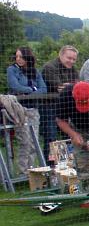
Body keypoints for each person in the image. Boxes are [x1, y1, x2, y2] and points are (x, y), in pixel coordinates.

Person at [5, 46, 47, 174]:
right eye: (16, 56)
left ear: (27, 57)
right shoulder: (12, 70)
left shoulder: (35, 71)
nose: (18, 59)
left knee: (34, 142)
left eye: (21, 56)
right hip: (19, 109)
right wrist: (33, 90)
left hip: (33, 109)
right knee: (25, 141)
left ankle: (33, 171)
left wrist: (29, 91)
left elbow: (44, 89)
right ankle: (23, 171)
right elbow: (15, 86)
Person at [41, 45, 79, 160]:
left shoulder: (72, 69)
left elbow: (78, 85)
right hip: (49, 107)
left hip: (66, 108)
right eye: (69, 58)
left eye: (74, 59)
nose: (71, 61)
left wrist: (69, 86)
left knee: (69, 135)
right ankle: (50, 166)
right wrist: (70, 86)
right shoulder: (49, 67)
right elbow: (60, 87)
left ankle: (69, 162)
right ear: (61, 55)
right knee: (51, 137)